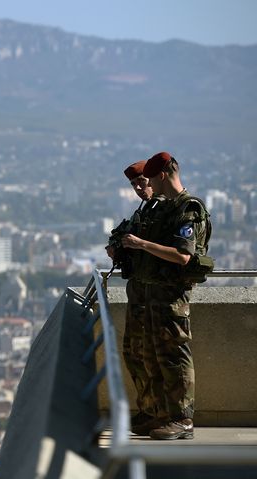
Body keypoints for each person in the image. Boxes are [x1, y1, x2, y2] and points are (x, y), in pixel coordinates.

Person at [122, 152, 211, 440]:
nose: (147, 186)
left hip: (171, 296)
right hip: (154, 294)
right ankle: (162, 414)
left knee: (174, 356)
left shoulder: (188, 208)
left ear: (161, 175)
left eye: (150, 178)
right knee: (155, 357)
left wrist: (142, 244)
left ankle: (182, 419)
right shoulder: (165, 209)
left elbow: (183, 256)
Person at [106, 160, 159, 435]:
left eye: (142, 182)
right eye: (134, 185)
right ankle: (149, 410)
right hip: (139, 293)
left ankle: (166, 415)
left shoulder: (167, 210)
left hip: (158, 295)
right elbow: (122, 234)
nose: (139, 188)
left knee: (160, 358)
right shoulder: (144, 211)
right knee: (134, 354)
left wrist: (137, 245)